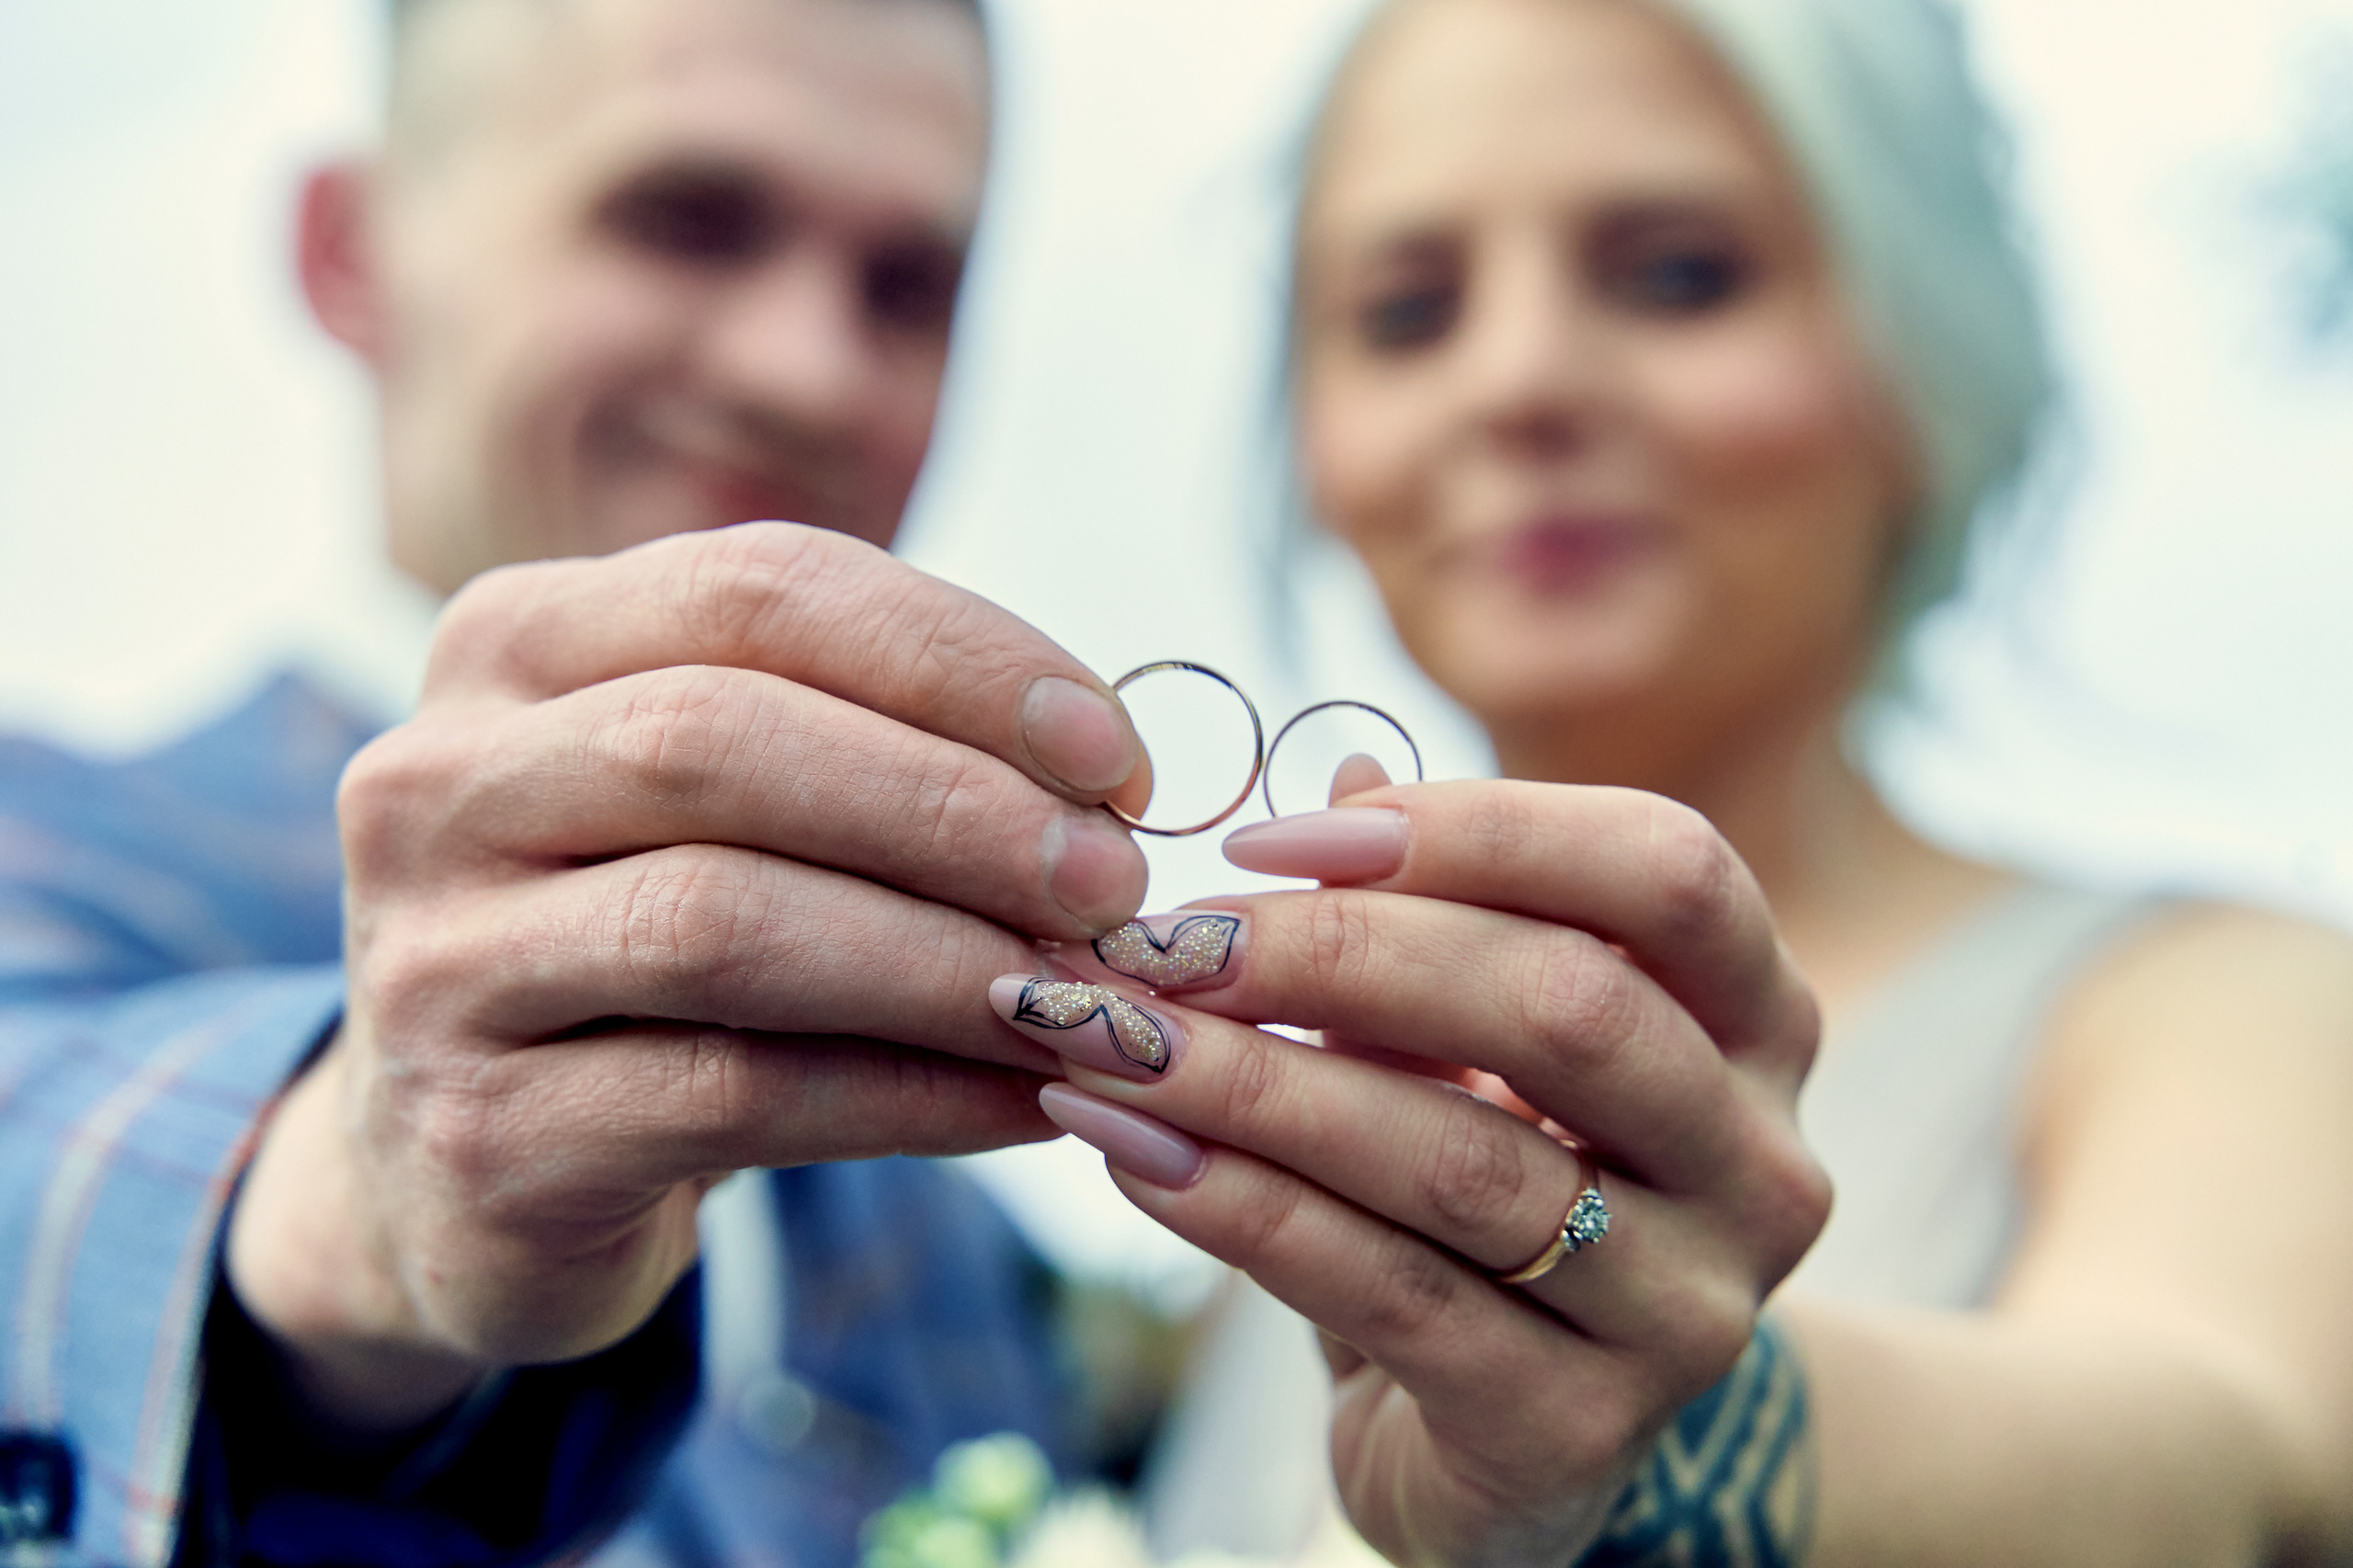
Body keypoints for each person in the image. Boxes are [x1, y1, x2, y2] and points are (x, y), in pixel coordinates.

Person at [1015, 0, 2353, 1562]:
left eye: (1676, 275)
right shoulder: (1236, 1195)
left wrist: (1665, 1434)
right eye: (1405, 311)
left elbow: (2228, 1443)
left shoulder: (2223, 1012)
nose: (1519, 381)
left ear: (1912, 349)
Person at [3, 0, 1161, 1562]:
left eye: (908, 288)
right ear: (352, 253)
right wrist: (354, 1208)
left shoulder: (967, 1224)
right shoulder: (50, 857)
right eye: (686, 221)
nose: (812, 370)